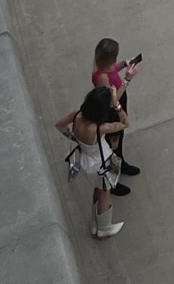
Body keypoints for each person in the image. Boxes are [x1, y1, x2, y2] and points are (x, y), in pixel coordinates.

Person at [55, 87, 128, 239]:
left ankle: (96, 223)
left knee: (97, 191)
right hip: (102, 164)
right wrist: (117, 105)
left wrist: (73, 137)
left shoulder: (76, 116)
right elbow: (125, 123)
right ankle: (104, 227)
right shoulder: (100, 128)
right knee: (105, 193)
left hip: (86, 160)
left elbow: (59, 125)